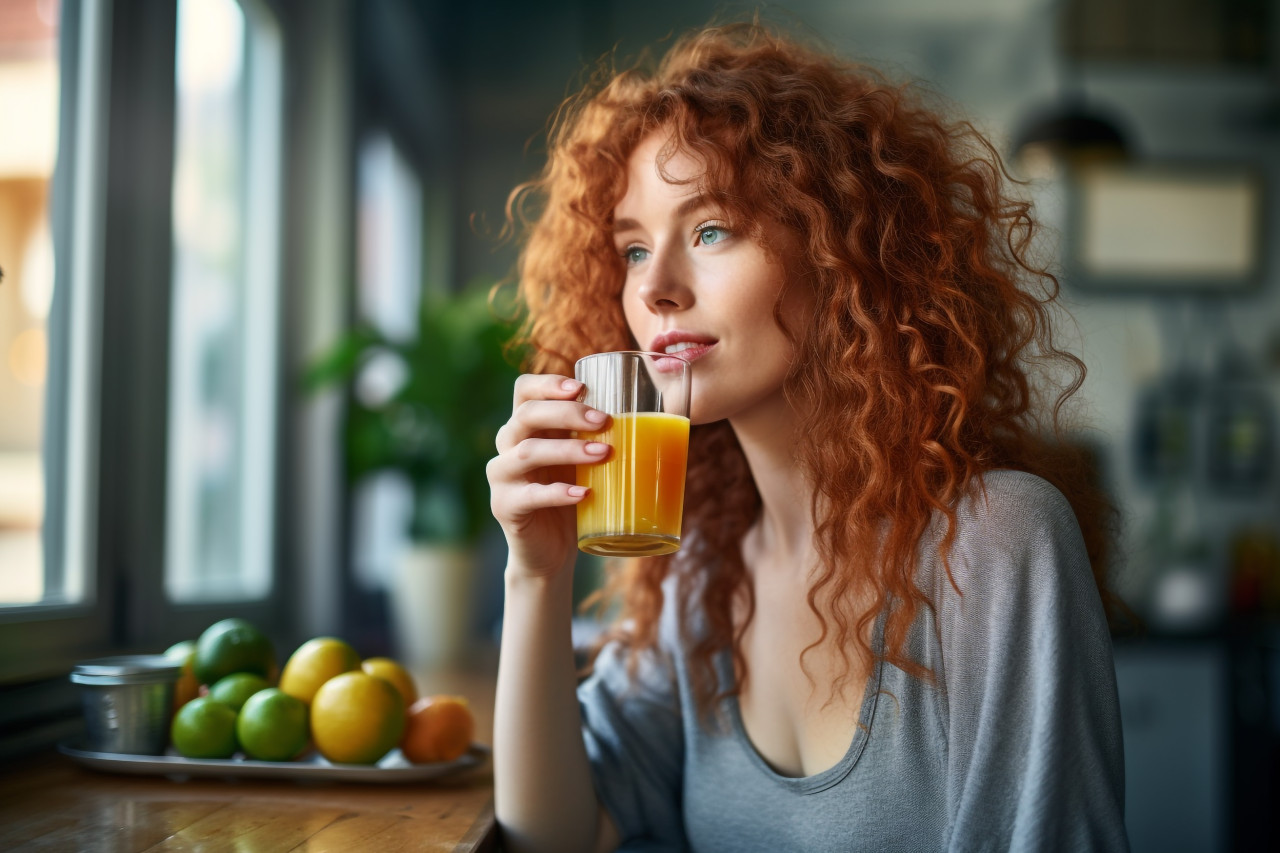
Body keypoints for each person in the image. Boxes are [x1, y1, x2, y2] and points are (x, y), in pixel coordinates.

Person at [486, 20, 1129, 853]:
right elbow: (554, 834)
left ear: (841, 253)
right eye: (634, 248)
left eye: (711, 229)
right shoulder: (700, 581)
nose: (656, 289)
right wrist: (535, 573)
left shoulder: (996, 544)